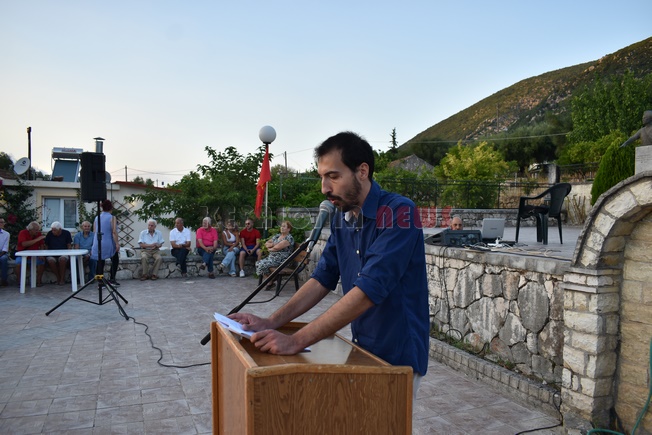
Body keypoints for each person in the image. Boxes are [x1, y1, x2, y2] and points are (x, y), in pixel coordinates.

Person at [230, 131, 429, 397]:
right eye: (322, 177)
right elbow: (322, 278)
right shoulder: (341, 219)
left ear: (362, 171)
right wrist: (270, 322)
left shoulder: (399, 212)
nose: (324, 188)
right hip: (361, 348)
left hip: (398, 356)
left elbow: (368, 290)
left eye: (333, 176)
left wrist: (296, 341)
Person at [91, 200, 121, 286]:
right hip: (108, 241)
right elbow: (114, 231)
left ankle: (100, 281)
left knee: (100, 260)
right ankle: (112, 279)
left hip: (98, 241)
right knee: (115, 259)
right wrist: (117, 243)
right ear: (111, 208)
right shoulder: (112, 218)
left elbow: (94, 230)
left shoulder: (97, 218)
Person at [256, 220, 294, 288]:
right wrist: (274, 245)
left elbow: (277, 248)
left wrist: (272, 247)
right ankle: (270, 281)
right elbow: (266, 243)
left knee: (262, 264)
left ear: (289, 229)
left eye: (284, 226)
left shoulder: (289, 238)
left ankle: (270, 281)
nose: (282, 228)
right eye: (281, 226)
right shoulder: (277, 236)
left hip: (282, 260)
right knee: (258, 263)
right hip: (272, 258)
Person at [15, 221, 46, 287]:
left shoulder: (38, 234)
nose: (37, 231)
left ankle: (38, 281)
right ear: (30, 230)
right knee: (18, 263)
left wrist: (41, 254)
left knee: (41, 262)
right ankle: (19, 281)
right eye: (36, 230)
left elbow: (41, 245)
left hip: (35, 256)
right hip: (23, 255)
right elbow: (24, 244)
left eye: (38, 230)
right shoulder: (23, 233)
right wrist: (37, 239)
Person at [44, 221, 73, 285]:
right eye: (52, 230)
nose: (53, 232)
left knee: (62, 260)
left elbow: (69, 245)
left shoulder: (66, 233)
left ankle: (62, 279)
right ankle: (58, 277)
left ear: (60, 229)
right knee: (51, 261)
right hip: (51, 254)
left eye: (55, 230)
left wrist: (70, 254)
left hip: (63, 253)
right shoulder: (49, 234)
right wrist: (45, 255)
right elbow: (46, 245)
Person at [0, 217, 10, 286]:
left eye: (3, 222)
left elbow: (5, 247)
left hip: (2, 253)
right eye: (1, 222)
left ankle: (4, 280)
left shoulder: (6, 234)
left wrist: (0, 254)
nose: (2, 224)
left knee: (3, 259)